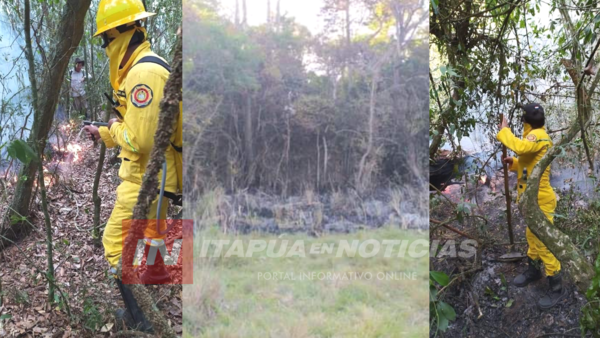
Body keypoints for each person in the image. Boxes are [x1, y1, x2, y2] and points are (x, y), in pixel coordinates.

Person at [83, 0, 182, 332]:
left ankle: (143, 320)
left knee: (113, 246)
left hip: (146, 178)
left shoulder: (144, 73)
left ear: (116, 32)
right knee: (155, 232)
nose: (105, 46)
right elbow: (142, 127)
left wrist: (112, 130)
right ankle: (156, 283)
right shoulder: (142, 67)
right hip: (158, 175)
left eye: (104, 39)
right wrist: (106, 133)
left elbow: (139, 141)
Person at [497, 103, 566, 309]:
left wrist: (504, 131)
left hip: (540, 200)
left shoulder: (537, 136)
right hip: (531, 198)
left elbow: (520, 147)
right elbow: (531, 167)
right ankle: (534, 271)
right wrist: (515, 164)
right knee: (532, 237)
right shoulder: (534, 138)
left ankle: (557, 288)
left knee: (544, 242)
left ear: (524, 121)